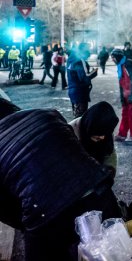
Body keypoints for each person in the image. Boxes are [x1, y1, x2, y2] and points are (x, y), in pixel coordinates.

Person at [0, 100, 122, 260]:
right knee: (115, 250)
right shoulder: (47, 113)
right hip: (97, 191)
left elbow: (5, 207)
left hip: (46, 212)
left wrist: (29, 225)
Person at [69, 101, 119, 176]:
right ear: (90, 127)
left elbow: (109, 155)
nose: (102, 137)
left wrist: (109, 172)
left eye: (105, 134)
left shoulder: (106, 130)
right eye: (99, 133)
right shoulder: (70, 134)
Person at [66, 46, 98, 117]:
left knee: (77, 116)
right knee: (81, 117)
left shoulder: (71, 59)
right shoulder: (80, 61)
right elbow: (84, 78)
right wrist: (94, 73)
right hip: (80, 92)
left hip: (72, 91)